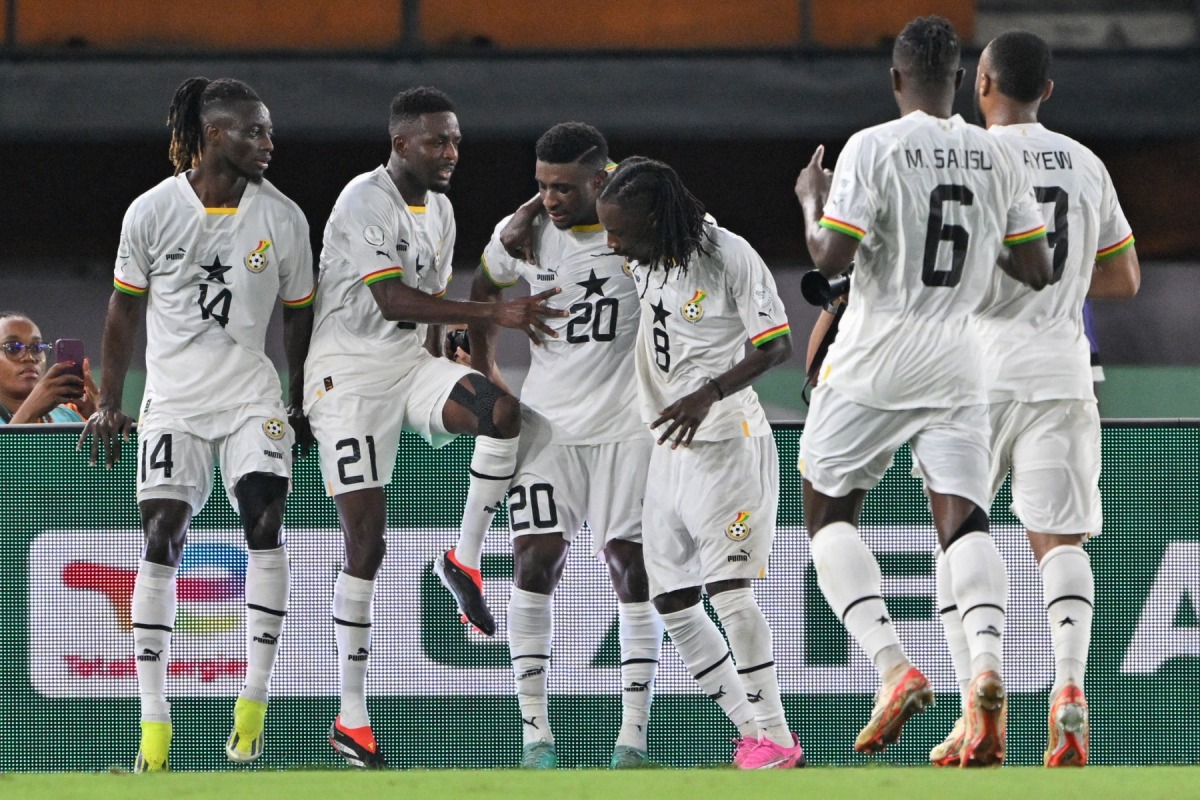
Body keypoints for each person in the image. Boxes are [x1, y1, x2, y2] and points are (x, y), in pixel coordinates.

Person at [793, 15, 1052, 766]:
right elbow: (1035, 270)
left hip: (879, 352)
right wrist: (971, 263)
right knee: (964, 522)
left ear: (897, 80)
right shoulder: (994, 154)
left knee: (826, 508)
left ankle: (892, 666)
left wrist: (814, 195)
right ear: (961, 79)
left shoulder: (872, 146)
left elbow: (831, 251)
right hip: (964, 360)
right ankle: (985, 673)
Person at [302, 86, 564, 768]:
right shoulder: (364, 198)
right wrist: (492, 317)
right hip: (346, 378)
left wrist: (450, 355)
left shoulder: (441, 210)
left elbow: (422, 313)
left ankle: (465, 559)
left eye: (454, 140)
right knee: (367, 542)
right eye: (436, 141)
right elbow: (390, 298)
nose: (450, 152)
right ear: (400, 144)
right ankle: (351, 718)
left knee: (502, 411)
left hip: (407, 367)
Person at [79, 77, 316, 771]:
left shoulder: (284, 217)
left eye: (268, 132)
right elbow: (123, 309)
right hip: (173, 400)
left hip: (250, 395)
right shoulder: (152, 211)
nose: (268, 144)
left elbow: (300, 309)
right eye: (254, 132)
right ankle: (154, 729)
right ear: (215, 136)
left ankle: (253, 705)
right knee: (161, 537)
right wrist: (110, 402)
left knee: (264, 520)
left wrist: (297, 397)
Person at [929, 29, 1140, 769]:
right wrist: (1057, 284)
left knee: (961, 538)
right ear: (1047, 90)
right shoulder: (1086, 163)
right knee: (1061, 543)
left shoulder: (960, 154)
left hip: (970, 377)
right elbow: (1125, 278)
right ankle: (1071, 687)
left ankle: (979, 684)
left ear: (980, 83)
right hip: (1061, 373)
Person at [457, 122, 662, 769]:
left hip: (627, 426)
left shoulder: (638, 222)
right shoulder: (524, 235)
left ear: (601, 180)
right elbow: (484, 290)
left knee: (632, 570)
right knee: (533, 563)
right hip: (548, 429)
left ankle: (631, 739)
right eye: (540, 186)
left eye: (563, 187)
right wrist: (489, 371)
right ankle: (534, 738)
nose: (549, 199)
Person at [597, 157, 804, 769]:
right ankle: (755, 732)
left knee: (730, 590)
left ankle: (777, 736)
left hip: (724, 442)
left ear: (656, 221)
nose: (612, 245)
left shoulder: (728, 255)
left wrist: (709, 390)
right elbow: (607, 169)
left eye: (620, 233)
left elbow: (777, 344)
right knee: (673, 599)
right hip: (668, 447)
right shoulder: (646, 242)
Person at [0, 311, 95, 424]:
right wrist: (31, 409)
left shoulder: (69, 417)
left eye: (37, 348)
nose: (30, 357)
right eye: (13, 348)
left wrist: (100, 416)